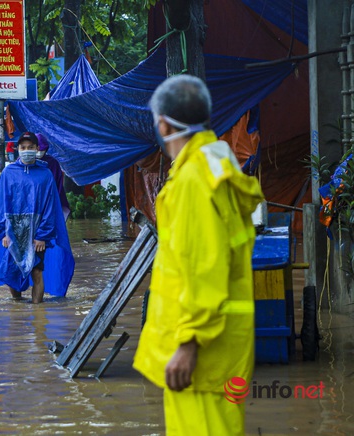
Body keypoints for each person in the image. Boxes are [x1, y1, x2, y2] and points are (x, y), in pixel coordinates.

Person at [133, 75, 264, 435]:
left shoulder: (194, 179)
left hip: (202, 356)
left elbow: (204, 267)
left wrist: (189, 343)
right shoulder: (218, 166)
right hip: (222, 347)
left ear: (163, 124)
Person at [0, 132, 75, 303]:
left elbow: (50, 207)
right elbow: (1, 205)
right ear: (17, 149)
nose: (27, 150)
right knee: (12, 271)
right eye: (23, 147)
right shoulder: (8, 173)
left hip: (37, 232)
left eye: (30, 147)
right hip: (14, 231)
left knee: (37, 271)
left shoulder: (45, 175)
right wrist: (4, 233)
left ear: (37, 149)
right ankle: (18, 306)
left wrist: (42, 236)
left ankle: (38, 312)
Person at [35, 134, 70, 220]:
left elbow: (58, 184)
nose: (40, 151)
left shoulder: (53, 163)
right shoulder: (24, 163)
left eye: (42, 149)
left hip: (49, 200)